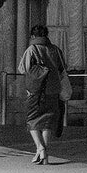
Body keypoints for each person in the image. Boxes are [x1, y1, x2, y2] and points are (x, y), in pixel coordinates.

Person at [18, 24, 68, 165]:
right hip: (54, 90)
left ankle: (40, 148)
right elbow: (63, 68)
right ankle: (44, 157)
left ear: (33, 36)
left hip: (37, 91)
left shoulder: (32, 49)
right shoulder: (56, 50)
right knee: (47, 122)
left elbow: (24, 69)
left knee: (32, 120)